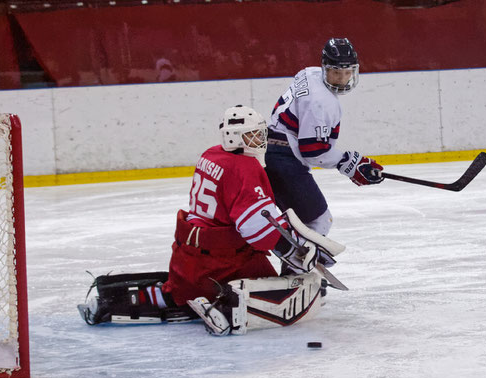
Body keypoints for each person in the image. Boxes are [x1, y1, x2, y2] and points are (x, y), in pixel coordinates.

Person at [77, 105, 343, 335]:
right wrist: (295, 251)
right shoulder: (244, 168)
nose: (259, 139)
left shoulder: (211, 154)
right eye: (253, 135)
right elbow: (258, 229)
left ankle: (116, 300)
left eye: (260, 133)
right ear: (233, 137)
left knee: (177, 293)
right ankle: (224, 308)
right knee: (289, 290)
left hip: (186, 258)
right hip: (224, 263)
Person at [264, 37, 384, 237]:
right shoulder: (324, 103)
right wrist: (350, 163)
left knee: (294, 220)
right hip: (284, 159)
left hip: (270, 147)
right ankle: (297, 268)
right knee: (318, 221)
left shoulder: (308, 73)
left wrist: (350, 163)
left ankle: (295, 264)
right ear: (325, 68)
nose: (342, 78)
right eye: (336, 72)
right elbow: (313, 152)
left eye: (347, 72)